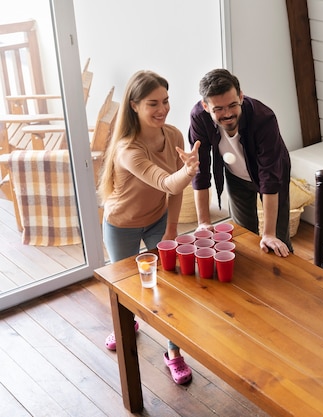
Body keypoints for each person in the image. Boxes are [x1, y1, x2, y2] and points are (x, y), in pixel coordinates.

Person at [98, 70, 200, 385]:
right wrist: (189, 169)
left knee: (172, 284)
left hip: (158, 218)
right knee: (126, 288)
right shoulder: (127, 149)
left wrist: (171, 228)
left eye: (166, 101)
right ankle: (125, 326)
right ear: (134, 105)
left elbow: (175, 191)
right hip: (122, 224)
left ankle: (174, 354)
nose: (162, 109)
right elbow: (167, 181)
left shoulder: (174, 136)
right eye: (152, 103)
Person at [188, 68, 292, 257]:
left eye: (232, 105)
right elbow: (200, 171)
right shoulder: (198, 118)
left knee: (277, 239)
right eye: (218, 109)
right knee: (244, 236)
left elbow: (269, 178)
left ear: (241, 97)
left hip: (272, 174)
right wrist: (203, 222)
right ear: (205, 106)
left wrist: (268, 234)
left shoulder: (263, 118)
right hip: (235, 175)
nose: (227, 114)